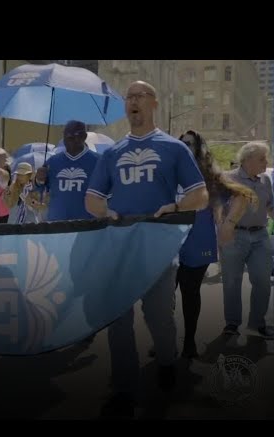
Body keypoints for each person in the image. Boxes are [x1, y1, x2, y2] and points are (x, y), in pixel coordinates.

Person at [85, 81, 209, 417]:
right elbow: (92, 198)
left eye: (140, 96)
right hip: (119, 244)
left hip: (158, 246)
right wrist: (106, 211)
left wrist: (175, 205)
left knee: (158, 317)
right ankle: (124, 388)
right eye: (129, 98)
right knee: (119, 319)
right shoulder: (111, 153)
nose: (133, 102)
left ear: (154, 103)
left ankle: (167, 360)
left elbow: (201, 196)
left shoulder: (174, 149)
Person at [171, 130, 256, 357]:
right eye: (180, 143)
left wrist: (228, 224)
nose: (184, 147)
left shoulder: (209, 178)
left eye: (189, 144)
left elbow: (242, 195)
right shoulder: (169, 172)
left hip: (197, 244)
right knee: (164, 297)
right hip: (168, 244)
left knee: (190, 294)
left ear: (199, 149)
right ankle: (165, 339)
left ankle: (189, 341)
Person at [220, 141, 274, 338]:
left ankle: (257, 323)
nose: (265, 162)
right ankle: (232, 324)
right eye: (262, 158)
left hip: (260, 236)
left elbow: (270, 206)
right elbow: (217, 209)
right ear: (248, 159)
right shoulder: (227, 179)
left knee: (262, 280)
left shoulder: (265, 181)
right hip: (235, 236)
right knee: (232, 282)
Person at [36, 120, 100, 221]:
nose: (69, 137)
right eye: (66, 134)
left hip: (86, 226)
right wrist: (38, 180)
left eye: (75, 134)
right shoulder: (52, 162)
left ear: (84, 136)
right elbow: (38, 191)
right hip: (57, 225)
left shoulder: (98, 161)